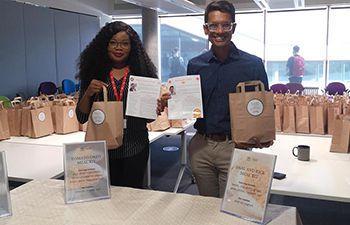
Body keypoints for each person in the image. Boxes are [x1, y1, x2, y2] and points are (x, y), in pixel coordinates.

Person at [185, 0, 271, 198]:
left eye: (226, 25)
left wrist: (262, 134)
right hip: (201, 147)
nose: (220, 31)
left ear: (234, 28)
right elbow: (189, 105)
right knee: (206, 207)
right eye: (213, 25)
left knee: (232, 210)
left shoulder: (252, 65)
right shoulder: (195, 65)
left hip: (235, 146)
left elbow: (264, 107)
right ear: (206, 29)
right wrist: (169, 100)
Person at [76, 21, 164, 189]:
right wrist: (88, 93)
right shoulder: (94, 74)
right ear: (105, 45)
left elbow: (147, 120)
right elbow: (81, 117)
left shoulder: (141, 75)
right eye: (113, 42)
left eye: (125, 43)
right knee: (104, 199)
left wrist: (155, 109)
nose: (119, 48)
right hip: (103, 149)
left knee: (132, 197)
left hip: (135, 146)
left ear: (132, 47)